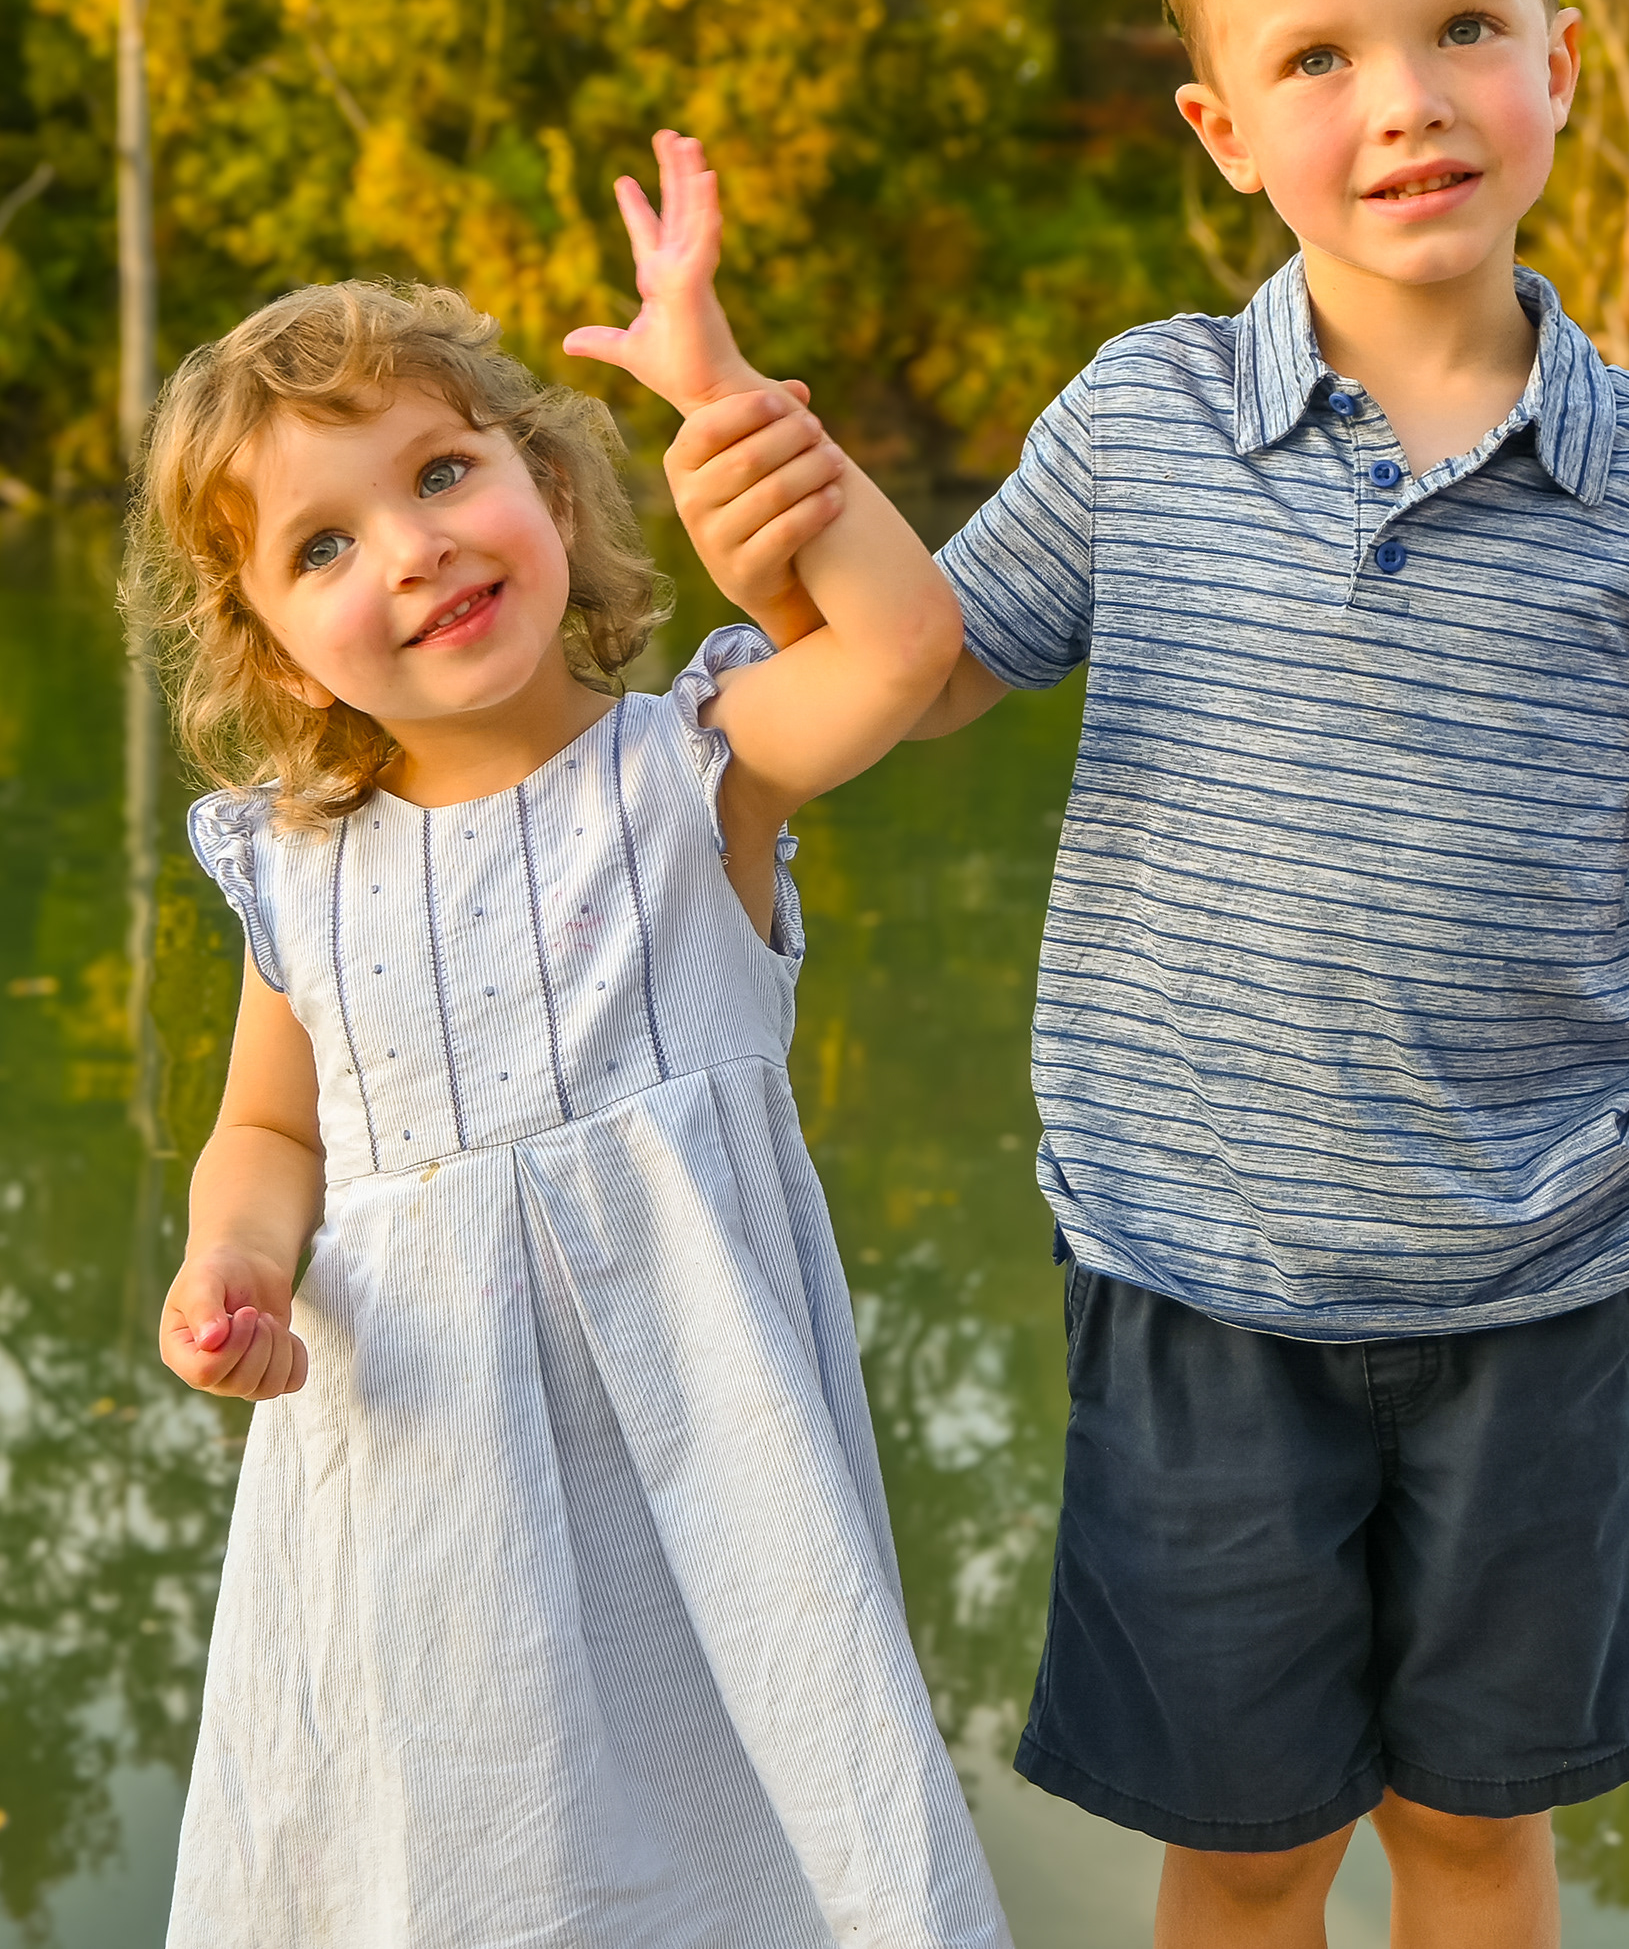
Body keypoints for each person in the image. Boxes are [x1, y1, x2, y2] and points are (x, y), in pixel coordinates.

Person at [662, 0, 1629, 1949]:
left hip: (1542, 1290)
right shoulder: (1142, 419)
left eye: (1460, 30)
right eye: (1318, 55)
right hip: (1194, 1277)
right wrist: (784, 499)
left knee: (1484, 1837)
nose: (1402, 97)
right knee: (1243, 1854)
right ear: (1224, 129)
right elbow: (928, 670)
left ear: (1560, 68)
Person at [133, 140, 1011, 1948]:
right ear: (281, 652)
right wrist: (234, 1261)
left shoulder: (695, 773)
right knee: (456, 1864)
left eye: (446, 470)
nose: (417, 544)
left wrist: (720, 389)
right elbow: (268, 1133)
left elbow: (909, 644)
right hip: (419, 1490)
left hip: (711, 1490)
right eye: (325, 543)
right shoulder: (306, 873)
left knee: (754, 1864)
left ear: (547, 483)